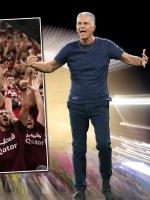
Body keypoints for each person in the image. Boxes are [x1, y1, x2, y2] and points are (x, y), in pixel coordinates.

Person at [27, 12, 148, 200]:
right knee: (78, 148)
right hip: (76, 105)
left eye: (85, 23)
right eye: (79, 23)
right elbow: (50, 67)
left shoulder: (105, 45)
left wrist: (141, 61)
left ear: (93, 27)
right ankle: (80, 189)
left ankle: (106, 185)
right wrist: (35, 65)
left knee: (104, 145)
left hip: (99, 104)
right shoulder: (69, 49)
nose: (81, 26)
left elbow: (125, 57)